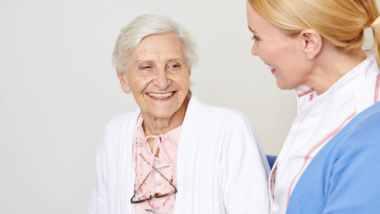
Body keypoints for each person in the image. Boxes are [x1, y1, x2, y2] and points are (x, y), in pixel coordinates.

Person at [86, 14, 270, 214]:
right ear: (124, 79)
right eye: (146, 68)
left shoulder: (231, 129)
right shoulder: (115, 133)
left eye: (174, 66)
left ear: (188, 71)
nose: (162, 82)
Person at [246, 0, 380, 213]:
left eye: (257, 37)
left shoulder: (370, 138)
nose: (254, 50)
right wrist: (233, 153)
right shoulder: (324, 94)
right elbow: (311, 181)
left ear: (309, 42)